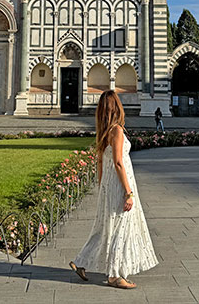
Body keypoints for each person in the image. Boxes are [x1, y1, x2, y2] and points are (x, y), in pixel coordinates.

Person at [70, 90, 157, 289]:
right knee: (120, 228)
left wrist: (102, 186)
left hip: (109, 184)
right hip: (119, 184)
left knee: (105, 228)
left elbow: (101, 161)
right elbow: (118, 162)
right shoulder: (116, 130)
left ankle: (81, 261)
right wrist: (128, 192)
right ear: (117, 107)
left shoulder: (104, 132)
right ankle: (115, 275)